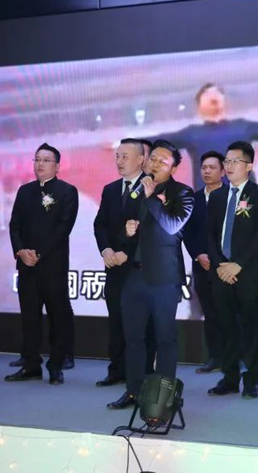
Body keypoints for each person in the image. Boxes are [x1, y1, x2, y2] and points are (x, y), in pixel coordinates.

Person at [107, 140, 194, 409]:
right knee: (133, 338)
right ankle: (133, 391)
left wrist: (152, 197)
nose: (155, 164)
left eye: (162, 161)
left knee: (165, 339)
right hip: (135, 275)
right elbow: (123, 231)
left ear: (174, 168)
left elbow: (172, 226)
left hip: (164, 278)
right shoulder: (137, 191)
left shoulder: (183, 193)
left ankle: (163, 396)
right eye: (153, 158)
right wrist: (126, 232)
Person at [148, 83, 258, 188]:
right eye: (207, 94)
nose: (213, 95)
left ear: (224, 101)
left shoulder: (242, 127)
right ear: (199, 105)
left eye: (217, 92)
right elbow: (156, 142)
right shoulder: (191, 134)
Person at [5, 144, 78, 385]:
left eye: (46, 160)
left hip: (53, 266)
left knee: (57, 317)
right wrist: (20, 251)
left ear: (57, 166)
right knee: (29, 318)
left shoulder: (67, 191)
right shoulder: (24, 191)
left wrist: (39, 253)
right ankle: (31, 365)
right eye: (37, 159)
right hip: (26, 265)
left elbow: (63, 228)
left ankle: (56, 366)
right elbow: (14, 225)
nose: (40, 164)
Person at [206, 141, 258, 399]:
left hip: (248, 271)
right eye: (227, 161)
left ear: (249, 166)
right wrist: (220, 264)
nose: (229, 166)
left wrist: (238, 264)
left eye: (235, 161)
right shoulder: (217, 196)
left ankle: (252, 378)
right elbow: (210, 235)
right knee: (225, 326)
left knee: (249, 325)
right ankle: (230, 377)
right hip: (221, 272)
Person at [93, 139, 157, 387]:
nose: (119, 161)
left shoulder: (151, 188)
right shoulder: (110, 189)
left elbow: (150, 229)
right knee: (116, 319)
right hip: (114, 267)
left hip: (140, 268)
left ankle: (143, 373)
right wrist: (106, 250)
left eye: (125, 156)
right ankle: (116, 369)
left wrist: (126, 253)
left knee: (143, 324)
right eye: (117, 156)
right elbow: (100, 224)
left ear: (141, 160)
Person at [183, 150, 227, 373]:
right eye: (204, 168)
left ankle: (234, 357)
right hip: (202, 266)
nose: (207, 172)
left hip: (226, 267)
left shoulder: (232, 197)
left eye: (212, 167)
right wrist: (198, 254)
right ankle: (215, 357)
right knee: (210, 313)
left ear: (223, 171)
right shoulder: (193, 199)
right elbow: (187, 232)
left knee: (230, 312)